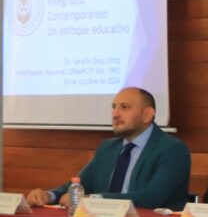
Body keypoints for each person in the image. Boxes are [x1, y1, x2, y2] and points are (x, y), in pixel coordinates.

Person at [25, 87, 190, 210]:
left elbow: (152, 197)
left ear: (147, 115)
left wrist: (96, 199)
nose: (115, 114)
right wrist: (50, 195)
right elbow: (80, 184)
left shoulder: (172, 149)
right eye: (114, 107)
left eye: (124, 107)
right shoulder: (107, 148)